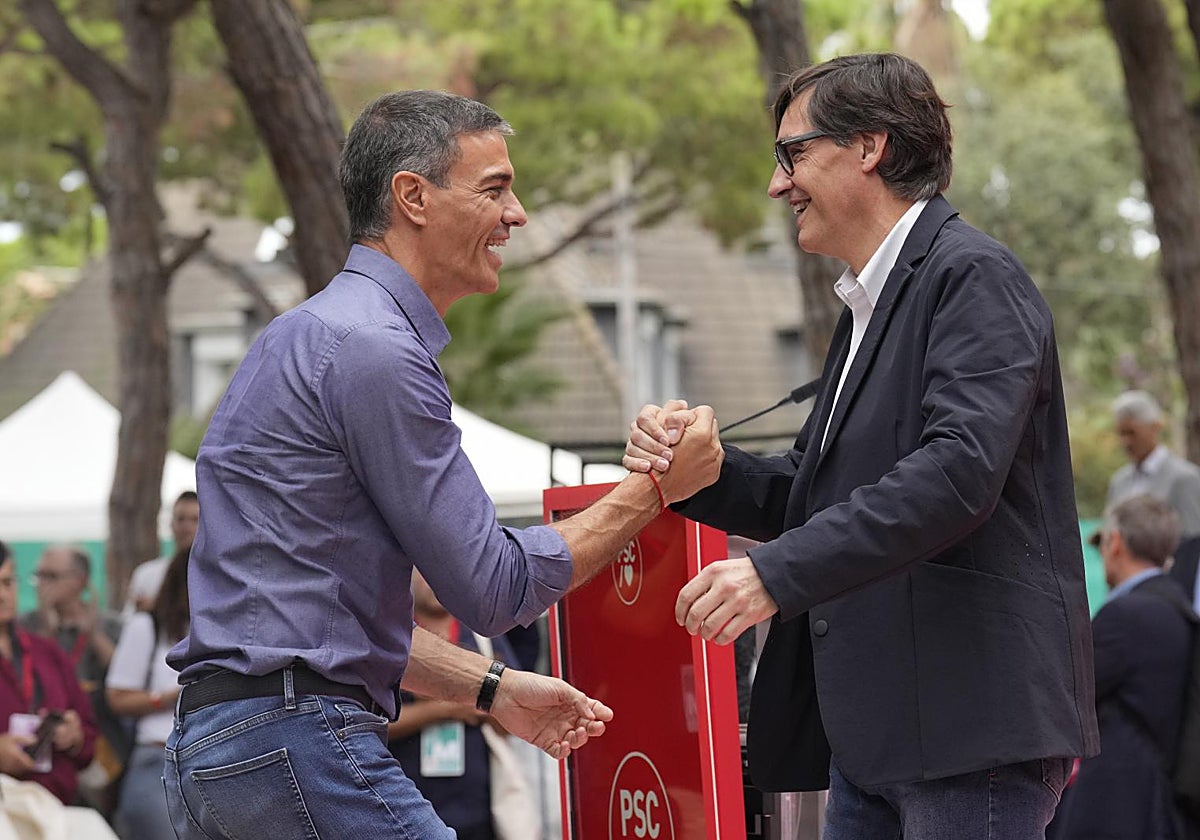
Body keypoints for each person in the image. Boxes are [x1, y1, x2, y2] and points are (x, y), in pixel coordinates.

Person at [164, 89, 720, 839]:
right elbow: (495, 589)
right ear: (412, 197)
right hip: (292, 741)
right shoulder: (374, 349)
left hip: (219, 753)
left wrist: (491, 687)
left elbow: (325, 629)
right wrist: (656, 488)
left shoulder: (305, 335)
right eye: (495, 188)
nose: (518, 213)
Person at [625, 53, 1098, 839]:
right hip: (880, 737)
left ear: (869, 147)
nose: (778, 185)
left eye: (793, 154)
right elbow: (818, 497)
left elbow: (957, 474)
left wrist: (775, 573)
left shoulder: (974, 276)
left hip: (968, 733)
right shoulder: (867, 309)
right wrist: (698, 473)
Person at [1051, 495, 1196, 839]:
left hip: (1116, 802)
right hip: (1159, 799)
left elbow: (1068, 691)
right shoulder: (1177, 607)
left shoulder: (1126, 615)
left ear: (1115, 543)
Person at [388, 570, 530, 840]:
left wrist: (478, 696)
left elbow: (513, 719)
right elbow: (364, 724)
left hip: (482, 810)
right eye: (424, 571)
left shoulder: (483, 639)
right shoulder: (391, 638)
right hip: (406, 809)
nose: (435, 580)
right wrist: (445, 709)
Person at [19, 545, 125, 812]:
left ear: (79, 581)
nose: (42, 584)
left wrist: (92, 634)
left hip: (104, 743)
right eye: (39, 575)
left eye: (51, 576)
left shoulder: (111, 623)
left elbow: (125, 676)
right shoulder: (26, 625)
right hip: (44, 744)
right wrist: (46, 625)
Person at [0, 540, 97, 805]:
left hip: (56, 804)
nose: (2, 595)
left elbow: (89, 737)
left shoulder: (47, 653)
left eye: (8, 583)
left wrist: (74, 737)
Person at [105, 546, 189, 840]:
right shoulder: (148, 626)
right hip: (158, 760)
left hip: (213, 762)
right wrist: (170, 697)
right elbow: (117, 697)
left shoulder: (225, 632)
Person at [1107, 390, 1200, 539]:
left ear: (1155, 427)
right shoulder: (1119, 482)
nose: (1126, 441)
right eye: (1121, 433)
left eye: (1132, 432)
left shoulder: (1184, 478)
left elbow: (1193, 541)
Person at [123, 490, 199, 615]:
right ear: (171, 524)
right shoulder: (146, 575)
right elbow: (131, 622)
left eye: (195, 520)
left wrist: (157, 607)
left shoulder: (214, 577)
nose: (187, 527)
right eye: (181, 519)